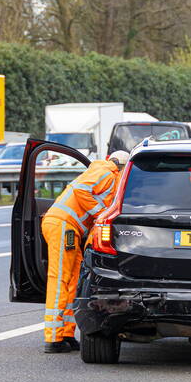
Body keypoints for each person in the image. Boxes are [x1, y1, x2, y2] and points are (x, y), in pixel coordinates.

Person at [41, 150, 130, 353]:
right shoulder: (106, 171)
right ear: (122, 167)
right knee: (60, 279)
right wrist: (101, 213)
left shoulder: (107, 172)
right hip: (64, 225)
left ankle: (66, 333)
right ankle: (53, 338)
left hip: (67, 227)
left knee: (73, 280)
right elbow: (82, 190)